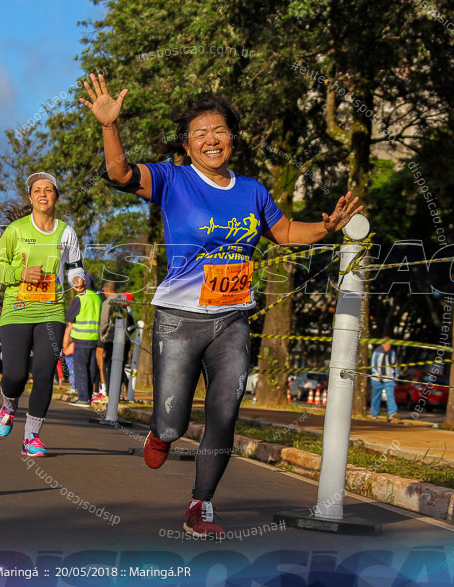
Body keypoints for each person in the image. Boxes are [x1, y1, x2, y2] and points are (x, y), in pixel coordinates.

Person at [81, 76, 363, 536]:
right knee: (172, 427)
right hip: (179, 319)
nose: (211, 140)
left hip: (232, 318)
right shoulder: (171, 179)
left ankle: (201, 505)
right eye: (200, 134)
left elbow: (286, 232)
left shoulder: (252, 189)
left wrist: (326, 227)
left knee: (224, 414)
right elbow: (120, 174)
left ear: (231, 138)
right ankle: (160, 433)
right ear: (188, 146)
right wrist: (110, 127)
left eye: (219, 131)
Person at [0, 171, 86, 457]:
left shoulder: (66, 232)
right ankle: (8, 404)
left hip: (51, 311)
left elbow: (74, 266)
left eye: (49, 190)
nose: (43, 194)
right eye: (37, 190)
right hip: (16, 311)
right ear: (30, 198)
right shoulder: (16, 230)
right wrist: (20, 273)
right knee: (15, 375)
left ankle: (32, 435)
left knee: (43, 373)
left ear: (56, 196)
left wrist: (77, 280)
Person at [63, 272, 102, 406]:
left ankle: (83, 398)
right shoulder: (98, 298)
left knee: (81, 368)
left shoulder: (80, 298)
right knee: (91, 368)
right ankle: (89, 397)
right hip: (94, 338)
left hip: (81, 338)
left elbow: (69, 316)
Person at [99, 281, 134, 398]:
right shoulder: (123, 300)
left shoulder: (107, 302)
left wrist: (102, 335)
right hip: (124, 339)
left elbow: (104, 321)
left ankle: (111, 395)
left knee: (109, 367)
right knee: (120, 367)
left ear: (107, 289)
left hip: (111, 339)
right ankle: (119, 393)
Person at [369, 342, 398, 421]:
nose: (389, 346)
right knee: (376, 396)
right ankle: (374, 414)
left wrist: (396, 376)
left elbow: (395, 365)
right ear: (383, 344)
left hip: (389, 377)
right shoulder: (377, 352)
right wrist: (376, 374)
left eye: (390, 345)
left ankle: (392, 413)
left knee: (390, 396)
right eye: (387, 345)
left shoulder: (392, 353)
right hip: (377, 378)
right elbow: (373, 364)